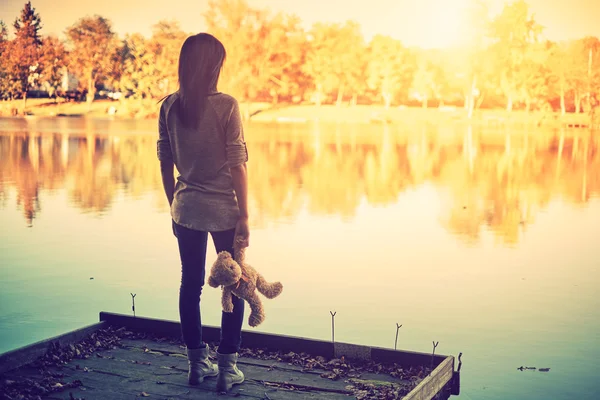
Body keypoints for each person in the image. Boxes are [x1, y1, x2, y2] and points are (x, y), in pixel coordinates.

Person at [157, 33, 249, 392]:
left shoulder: (168, 106)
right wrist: (245, 214)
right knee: (236, 284)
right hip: (225, 209)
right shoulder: (227, 105)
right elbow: (238, 165)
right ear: (213, 66)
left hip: (187, 208)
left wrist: (173, 204)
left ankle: (197, 365)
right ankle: (227, 369)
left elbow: (165, 164)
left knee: (190, 283)